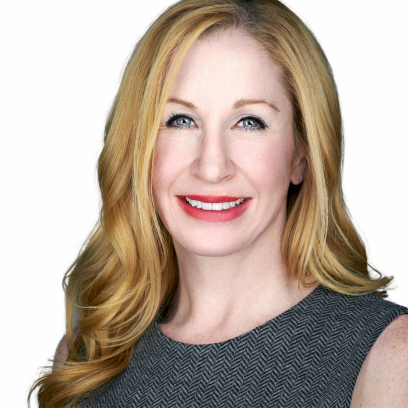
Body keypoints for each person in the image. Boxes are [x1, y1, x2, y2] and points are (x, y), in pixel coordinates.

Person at [28, 0, 408, 407]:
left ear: (302, 154)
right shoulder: (89, 354)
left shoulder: (387, 359)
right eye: (180, 120)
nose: (212, 167)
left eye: (250, 122)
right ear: (138, 146)